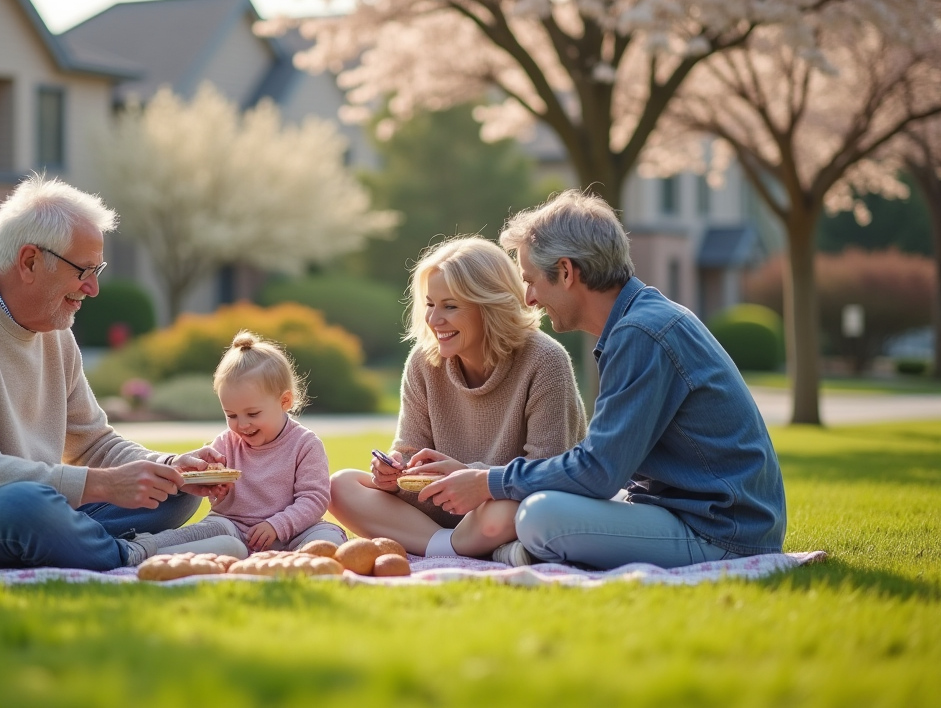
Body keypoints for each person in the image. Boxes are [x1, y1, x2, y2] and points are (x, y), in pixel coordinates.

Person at [0, 174, 246, 570]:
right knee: (29, 506)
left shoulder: (54, 329)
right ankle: (134, 553)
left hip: (27, 500)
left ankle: (82, 541)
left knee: (174, 491)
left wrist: (167, 466)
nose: (93, 288)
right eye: (84, 270)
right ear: (29, 261)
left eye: (97, 270)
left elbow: (93, 443)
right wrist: (102, 484)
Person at [418, 190, 787, 570]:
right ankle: (512, 551)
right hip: (686, 511)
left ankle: (507, 550)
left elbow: (599, 471)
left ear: (566, 272)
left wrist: (486, 482)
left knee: (539, 516)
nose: (529, 299)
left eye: (531, 281)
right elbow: (609, 466)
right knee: (543, 504)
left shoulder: (642, 333)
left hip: (720, 531)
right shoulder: (640, 320)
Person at [329, 237, 587, 560]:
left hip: (501, 504)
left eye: (450, 306)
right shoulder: (423, 362)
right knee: (340, 486)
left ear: (490, 306)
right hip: (437, 509)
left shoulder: (546, 360)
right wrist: (392, 475)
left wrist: (472, 476)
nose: (434, 320)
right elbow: (409, 453)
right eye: (430, 304)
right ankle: (458, 547)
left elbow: (547, 470)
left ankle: (449, 544)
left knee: (520, 510)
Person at [186, 331, 348, 552]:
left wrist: (277, 525)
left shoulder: (305, 444)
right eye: (231, 415)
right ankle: (150, 548)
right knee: (208, 531)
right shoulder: (224, 444)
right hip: (234, 528)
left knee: (328, 537)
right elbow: (216, 500)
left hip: (292, 533)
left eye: (252, 414)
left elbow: (314, 499)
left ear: (285, 401)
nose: (242, 425)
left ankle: (297, 561)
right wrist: (216, 492)